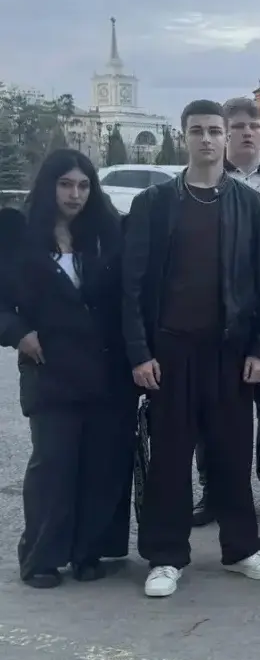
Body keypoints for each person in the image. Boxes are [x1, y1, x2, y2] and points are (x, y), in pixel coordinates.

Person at [122, 100, 260, 598]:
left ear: (226, 137)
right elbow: (132, 285)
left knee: (232, 455)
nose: (208, 139)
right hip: (170, 352)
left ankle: (242, 549)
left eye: (215, 130)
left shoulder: (249, 206)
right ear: (185, 136)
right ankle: (165, 557)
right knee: (170, 459)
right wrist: (139, 352)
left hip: (230, 352)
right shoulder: (154, 204)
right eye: (198, 131)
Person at [0, 153, 135, 587]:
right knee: (53, 466)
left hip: (106, 368)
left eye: (83, 185)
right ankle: (40, 558)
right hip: (50, 367)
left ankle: (87, 553)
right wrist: (18, 332)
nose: (75, 194)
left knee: (101, 465)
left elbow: (129, 294)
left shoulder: (107, 233)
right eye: (65, 185)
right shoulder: (18, 234)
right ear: (49, 186)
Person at [190, 96, 260, 530]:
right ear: (224, 134)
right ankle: (213, 490)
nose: (247, 132)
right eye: (238, 126)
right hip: (219, 318)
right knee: (213, 410)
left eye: (254, 126)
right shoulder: (205, 183)